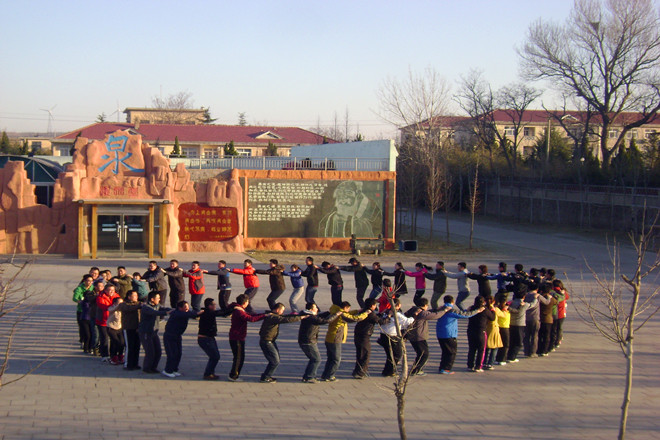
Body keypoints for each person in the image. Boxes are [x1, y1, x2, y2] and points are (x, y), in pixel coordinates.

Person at [258, 303, 306, 383]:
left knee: (275, 360)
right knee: (275, 361)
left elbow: (285, 317)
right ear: (277, 310)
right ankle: (265, 377)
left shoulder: (273, 315)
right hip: (267, 342)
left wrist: (298, 315)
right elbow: (285, 320)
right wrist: (300, 317)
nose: (283, 312)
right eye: (282, 310)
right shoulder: (272, 317)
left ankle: (266, 376)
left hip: (270, 341)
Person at [321, 301, 367, 382]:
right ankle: (330, 376)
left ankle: (325, 375)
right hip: (336, 339)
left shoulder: (336, 311)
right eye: (348, 309)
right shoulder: (341, 314)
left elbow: (348, 314)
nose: (349, 310)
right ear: (345, 308)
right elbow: (354, 318)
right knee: (336, 359)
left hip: (329, 338)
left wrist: (357, 311)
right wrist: (365, 314)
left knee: (330, 358)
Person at [436, 295, 482, 374]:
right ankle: (446, 368)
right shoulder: (451, 311)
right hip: (449, 334)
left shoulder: (441, 309)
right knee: (451, 352)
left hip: (440, 333)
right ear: (452, 301)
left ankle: (442, 367)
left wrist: (466, 310)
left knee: (445, 352)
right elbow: (466, 315)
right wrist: (477, 311)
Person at [405, 298, 450, 376]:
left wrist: (436, 309)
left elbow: (429, 312)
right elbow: (435, 315)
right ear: (425, 305)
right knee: (424, 354)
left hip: (412, 335)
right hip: (419, 336)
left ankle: (416, 369)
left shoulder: (414, 309)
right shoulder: (422, 313)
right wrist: (444, 310)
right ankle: (416, 370)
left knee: (420, 353)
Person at [298, 303, 341, 383]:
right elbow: (325, 321)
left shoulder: (308, 315)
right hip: (308, 341)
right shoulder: (310, 317)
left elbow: (319, 316)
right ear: (311, 310)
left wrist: (329, 312)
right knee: (316, 359)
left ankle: (308, 376)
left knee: (314, 359)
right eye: (315, 308)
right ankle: (309, 377)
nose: (317, 309)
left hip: (308, 340)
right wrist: (336, 314)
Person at [228, 294, 266, 381]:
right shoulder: (239, 311)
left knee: (239, 357)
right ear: (245, 302)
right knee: (239, 357)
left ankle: (234, 374)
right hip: (237, 337)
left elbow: (251, 315)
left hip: (237, 336)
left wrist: (264, 314)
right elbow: (250, 318)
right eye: (248, 302)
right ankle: (233, 376)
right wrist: (264, 316)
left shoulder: (239, 309)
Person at [352, 298, 389, 379]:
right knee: (365, 354)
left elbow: (376, 317)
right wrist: (388, 317)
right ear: (372, 305)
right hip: (364, 335)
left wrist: (380, 314)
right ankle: (360, 373)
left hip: (359, 333)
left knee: (360, 353)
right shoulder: (370, 313)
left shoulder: (364, 310)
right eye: (375, 305)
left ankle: (357, 371)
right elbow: (381, 321)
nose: (375, 306)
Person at [377, 297, 415, 376]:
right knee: (397, 354)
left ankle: (387, 371)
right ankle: (390, 371)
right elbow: (407, 321)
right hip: (392, 336)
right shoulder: (397, 314)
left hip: (383, 335)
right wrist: (413, 316)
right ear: (398, 305)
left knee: (390, 354)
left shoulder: (386, 312)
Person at [162, 300, 200, 378]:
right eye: (185, 307)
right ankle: (167, 370)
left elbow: (191, 313)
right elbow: (192, 314)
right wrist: (199, 313)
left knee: (178, 353)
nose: (187, 308)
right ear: (180, 308)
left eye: (188, 306)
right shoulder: (177, 313)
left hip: (177, 335)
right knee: (172, 354)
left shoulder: (184, 313)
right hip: (170, 336)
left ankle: (174, 369)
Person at [197, 298, 233, 380]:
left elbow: (222, 312)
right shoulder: (208, 313)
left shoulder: (208, 312)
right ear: (209, 306)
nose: (215, 306)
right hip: (205, 339)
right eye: (214, 304)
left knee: (214, 356)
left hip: (210, 338)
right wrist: (233, 308)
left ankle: (210, 373)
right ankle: (208, 374)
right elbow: (221, 313)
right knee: (215, 356)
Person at [138, 292, 171, 373]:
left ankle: (153, 367)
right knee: (150, 351)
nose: (159, 299)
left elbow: (163, 308)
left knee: (158, 351)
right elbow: (154, 312)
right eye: (158, 298)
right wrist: (166, 313)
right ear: (152, 299)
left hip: (154, 331)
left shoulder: (157, 305)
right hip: (146, 332)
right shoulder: (146, 307)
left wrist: (172, 310)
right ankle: (147, 368)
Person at [113, 290, 142, 370]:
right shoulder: (124, 304)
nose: (136, 297)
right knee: (129, 347)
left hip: (137, 328)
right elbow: (129, 308)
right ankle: (128, 364)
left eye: (136, 295)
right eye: (134, 295)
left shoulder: (138, 304)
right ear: (129, 297)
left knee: (137, 346)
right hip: (128, 328)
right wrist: (139, 306)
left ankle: (135, 363)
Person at [466, 296, 495, 372]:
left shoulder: (471, 308)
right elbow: (492, 318)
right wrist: (493, 310)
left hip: (471, 330)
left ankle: (470, 365)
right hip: (481, 331)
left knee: (472, 349)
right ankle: (478, 366)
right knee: (481, 350)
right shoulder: (484, 310)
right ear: (483, 302)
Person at [96, 284, 120, 362]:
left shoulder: (117, 297)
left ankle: (113, 355)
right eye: (109, 290)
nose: (111, 292)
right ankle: (104, 355)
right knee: (104, 338)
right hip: (103, 321)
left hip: (113, 322)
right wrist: (115, 306)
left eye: (113, 290)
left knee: (114, 339)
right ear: (105, 290)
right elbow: (104, 307)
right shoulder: (100, 297)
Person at [507, 290, 533, 363]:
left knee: (512, 341)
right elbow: (532, 305)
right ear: (524, 297)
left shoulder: (511, 303)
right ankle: (512, 357)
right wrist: (535, 298)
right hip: (519, 324)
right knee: (518, 342)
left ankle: (509, 355)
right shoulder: (524, 304)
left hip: (511, 323)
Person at [73, 274, 94, 352]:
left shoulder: (93, 288)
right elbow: (74, 298)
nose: (90, 282)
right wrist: (81, 302)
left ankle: (89, 346)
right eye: (88, 281)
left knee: (91, 331)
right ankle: (83, 342)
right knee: (83, 329)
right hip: (81, 311)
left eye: (91, 281)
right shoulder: (79, 288)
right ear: (84, 281)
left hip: (91, 313)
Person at [524, 282, 546, 357]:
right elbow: (546, 302)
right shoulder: (537, 296)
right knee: (534, 336)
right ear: (537, 289)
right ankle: (533, 352)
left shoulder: (525, 295)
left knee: (526, 336)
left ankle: (526, 351)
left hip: (526, 317)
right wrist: (549, 297)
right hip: (535, 317)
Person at [484, 297, 505, 370]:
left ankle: (484, 362)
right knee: (495, 347)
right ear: (493, 302)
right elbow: (503, 315)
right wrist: (505, 309)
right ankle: (490, 363)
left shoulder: (484, 308)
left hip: (486, 328)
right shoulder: (495, 309)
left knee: (486, 347)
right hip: (494, 328)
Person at [537, 283, 558, 357]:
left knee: (540, 335)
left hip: (539, 318)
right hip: (548, 319)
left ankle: (539, 349)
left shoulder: (539, 298)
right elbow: (556, 302)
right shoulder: (551, 299)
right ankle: (545, 350)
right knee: (546, 335)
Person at [106, 297, 125, 365]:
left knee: (122, 343)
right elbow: (113, 309)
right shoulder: (111, 308)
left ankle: (120, 356)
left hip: (119, 328)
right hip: (111, 327)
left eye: (122, 303)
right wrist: (119, 306)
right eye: (119, 303)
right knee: (116, 342)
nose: (121, 304)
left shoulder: (123, 309)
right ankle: (113, 357)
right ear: (114, 303)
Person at [551, 279, 569, 350]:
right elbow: (567, 297)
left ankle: (554, 341)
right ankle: (558, 340)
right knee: (559, 328)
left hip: (554, 312)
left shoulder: (552, 291)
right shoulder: (563, 292)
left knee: (553, 328)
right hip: (562, 313)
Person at [494, 294, 511, 366]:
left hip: (505, 327)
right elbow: (503, 315)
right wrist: (505, 310)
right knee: (505, 344)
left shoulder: (504, 308)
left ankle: (499, 358)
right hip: (502, 327)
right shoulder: (497, 309)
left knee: (503, 344)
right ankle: (501, 359)